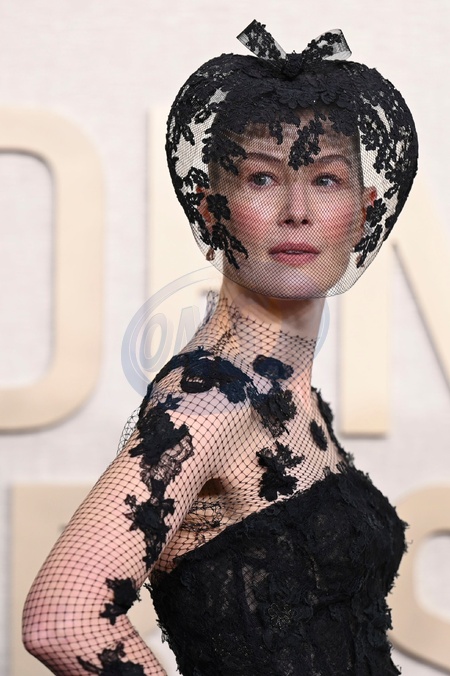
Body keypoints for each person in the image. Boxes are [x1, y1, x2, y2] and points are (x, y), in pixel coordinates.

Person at [22, 20, 418, 676]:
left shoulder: (282, 390)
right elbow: (63, 619)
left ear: (364, 209)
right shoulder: (212, 398)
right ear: (212, 209)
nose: (297, 210)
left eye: (325, 179)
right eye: (262, 178)